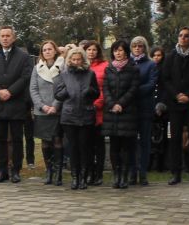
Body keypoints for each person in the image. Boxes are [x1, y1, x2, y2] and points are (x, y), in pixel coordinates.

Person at [0, 24, 34, 183]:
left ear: (13, 37)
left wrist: (10, 91)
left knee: (17, 139)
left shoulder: (23, 56)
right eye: (2, 36)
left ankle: (16, 170)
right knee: (0, 139)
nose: (5, 38)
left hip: (16, 103)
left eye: (8, 36)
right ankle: (2, 171)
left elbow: (25, 77)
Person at [160, 28, 189, 185]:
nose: (183, 38)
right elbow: (165, 79)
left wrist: (188, 95)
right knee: (174, 138)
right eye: (180, 35)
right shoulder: (170, 56)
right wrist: (176, 95)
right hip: (175, 104)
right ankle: (175, 172)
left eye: (186, 36)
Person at [54, 47, 100, 190]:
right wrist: (66, 91)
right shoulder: (64, 74)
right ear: (69, 60)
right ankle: (75, 177)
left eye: (78, 59)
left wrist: (90, 91)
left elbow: (97, 93)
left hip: (86, 114)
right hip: (69, 115)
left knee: (84, 147)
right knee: (73, 147)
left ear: (83, 59)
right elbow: (57, 94)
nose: (76, 62)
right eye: (73, 59)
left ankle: (83, 177)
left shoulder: (90, 74)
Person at [103, 40, 140, 189]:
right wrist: (112, 104)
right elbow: (105, 88)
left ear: (126, 52)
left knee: (126, 147)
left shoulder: (133, 69)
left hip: (127, 112)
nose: (118, 53)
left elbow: (133, 89)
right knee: (114, 146)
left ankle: (124, 175)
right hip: (111, 113)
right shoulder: (109, 69)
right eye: (115, 50)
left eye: (120, 50)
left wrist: (121, 104)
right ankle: (116, 175)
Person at [30, 40, 64, 185]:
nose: (47, 52)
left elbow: (65, 87)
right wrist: (42, 106)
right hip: (42, 111)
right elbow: (33, 89)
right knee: (45, 142)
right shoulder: (37, 68)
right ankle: (49, 171)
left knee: (57, 140)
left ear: (55, 50)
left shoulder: (63, 66)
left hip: (57, 110)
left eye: (50, 49)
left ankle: (58, 172)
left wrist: (55, 105)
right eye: (44, 50)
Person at [129, 36, 160, 186]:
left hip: (145, 106)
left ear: (145, 48)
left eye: (140, 46)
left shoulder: (151, 64)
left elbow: (152, 83)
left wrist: (133, 90)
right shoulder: (127, 63)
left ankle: (143, 172)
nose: (137, 48)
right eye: (134, 46)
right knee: (131, 141)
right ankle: (132, 172)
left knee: (145, 141)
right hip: (130, 108)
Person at [84, 40, 108, 185]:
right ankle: (89, 172)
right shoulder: (81, 66)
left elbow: (106, 88)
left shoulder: (105, 66)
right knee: (86, 144)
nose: (91, 52)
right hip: (83, 110)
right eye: (89, 49)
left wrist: (97, 103)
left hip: (98, 110)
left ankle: (99, 173)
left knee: (99, 144)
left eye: (94, 50)